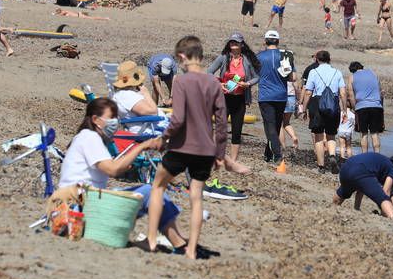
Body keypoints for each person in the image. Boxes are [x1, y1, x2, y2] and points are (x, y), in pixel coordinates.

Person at [54, 98, 191, 252]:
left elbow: (112, 168)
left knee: (152, 192)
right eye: (111, 117)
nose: (115, 121)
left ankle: (176, 239)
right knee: (150, 191)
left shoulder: (88, 138)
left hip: (85, 201)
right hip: (81, 205)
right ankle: (177, 242)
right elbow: (112, 169)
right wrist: (143, 146)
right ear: (95, 119)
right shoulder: (89, 138)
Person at [142, 36, 229, 259]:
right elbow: (221, 122)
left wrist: (163, 138)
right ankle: (191, 250)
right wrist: (219, 154)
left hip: (182, 146)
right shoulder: (214, 83)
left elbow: (178, 118)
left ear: (182, 57)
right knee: (197, 197)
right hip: (205, 150)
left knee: (158, 187)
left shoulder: (181, 81)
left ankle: (151, 240)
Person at [206, 32, 259, 164]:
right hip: (224, 98)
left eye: (235, 42)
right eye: (231, 42)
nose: (233, 44)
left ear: (241, 44)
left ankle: (233, 160)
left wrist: (247, 84)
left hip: (240, 98)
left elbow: (256, 77)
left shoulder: (246, 60)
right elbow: (209, 72)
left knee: (237, 130)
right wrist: (219, 84)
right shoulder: (224, 57)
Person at [300, 50, 346, 173]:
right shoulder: (337, 72)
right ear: (329, 59)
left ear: (317, 59)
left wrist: (304, 109)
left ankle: (321, 166)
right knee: (331, 134)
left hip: (317, 104)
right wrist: (345, 110)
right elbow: (342, 92)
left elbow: (308, 91)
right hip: (333, 105)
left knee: (318, 136)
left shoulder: (313, 72)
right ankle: (331, 155)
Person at [256, 30, 291, 166]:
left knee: (270, 126)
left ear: (265, 41)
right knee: (276, 126)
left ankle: (277, 155)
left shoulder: (259, 56)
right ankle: (268, 154)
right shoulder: (285, 56)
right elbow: (292, 77)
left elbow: (254, 74)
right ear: (278, 41)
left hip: (266, 95)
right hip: (281, 95)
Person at [332, 151, 393, 218]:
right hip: (361, 170)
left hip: (346, 166)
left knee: (343, 192)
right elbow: (386, 192)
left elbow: (362, 188)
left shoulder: (380, 161)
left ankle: (332, 207)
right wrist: (384, 213)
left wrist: (357, 208)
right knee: (383, 198)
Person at [348, 61, 384, 153]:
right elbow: (381, 92)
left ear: (352, 70)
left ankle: (365, 155)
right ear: (361, 67)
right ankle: (377, 154)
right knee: (375, 133)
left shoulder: (352, 77)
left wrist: (354, 107)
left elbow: (351, 96)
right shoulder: (373, 73)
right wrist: (381, 105)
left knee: (364, 134)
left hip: (361, 107)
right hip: (376, 106)